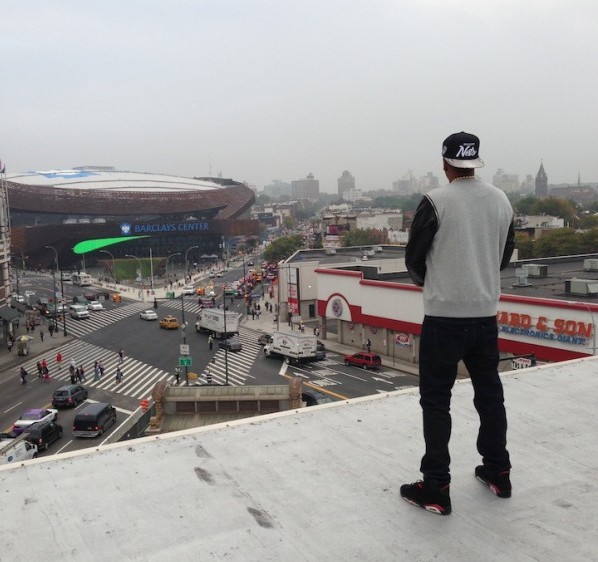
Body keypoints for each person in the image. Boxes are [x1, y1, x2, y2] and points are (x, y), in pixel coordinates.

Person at [400, 132, 515, 516]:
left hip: (444, 319)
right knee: (490, 395)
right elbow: (503, 256)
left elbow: (414, 259)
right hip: (484, 316)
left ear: (446, 163)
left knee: (436, 403)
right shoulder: (500, 200)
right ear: (476, 162)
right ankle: (498, 472)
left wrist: (432, 284)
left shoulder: (436, 200)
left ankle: (435, 487)